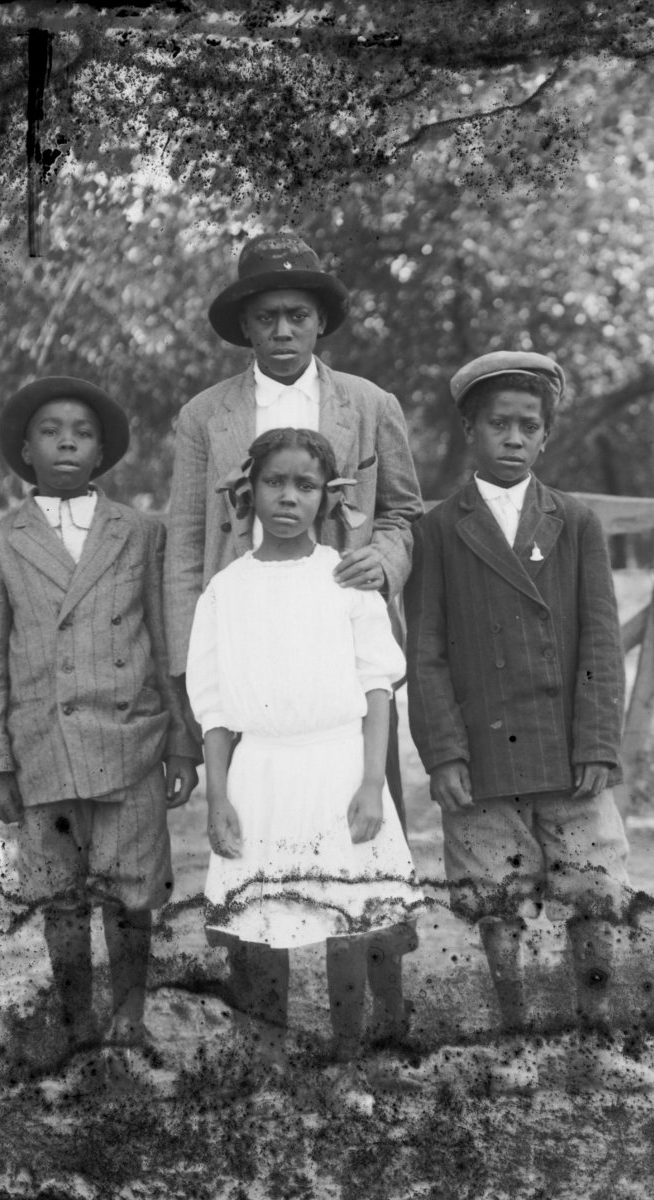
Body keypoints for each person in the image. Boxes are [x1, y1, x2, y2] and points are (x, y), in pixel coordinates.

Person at [404, 351, 654, 1092]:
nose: (513, 438)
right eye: (498, 425)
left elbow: (601, 641)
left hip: (566, 751)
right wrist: (444, 754)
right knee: (496, 905)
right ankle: (516, 1045)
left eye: (528, 426)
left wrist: (599, 743)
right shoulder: (437, 529)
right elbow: (426, 652)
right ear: (470, 431)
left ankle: (600, 1041)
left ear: (546, 436)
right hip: (482, 757)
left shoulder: (574, 521)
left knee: (597, 895)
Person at [0, 376, 199, 1078]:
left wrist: (181, 740)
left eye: (83, 433)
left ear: (102, 451)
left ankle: (129, 1023)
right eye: (50, 431)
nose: (67, 442)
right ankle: (74, 1029)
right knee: (60, 896)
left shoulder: (141, 532)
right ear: (25, 450)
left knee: (133, 891)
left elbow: (165, 640)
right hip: (43, 746)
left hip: (132, 739)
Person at [186, 427, 422, 1108]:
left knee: (347, 916)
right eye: (274, 482)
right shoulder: (225, 591)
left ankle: (347, 1061)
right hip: (260, 771)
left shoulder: (345, 579)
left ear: (327, 497)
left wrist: (372, 783)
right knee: (263, 922)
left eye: (305, 485)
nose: (288, 496)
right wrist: (218, 798)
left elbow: (377, 688)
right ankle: (267, 1067)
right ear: (250, 491)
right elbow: (214, 710)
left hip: (338, 766)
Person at [164, 232, 423, 833]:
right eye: (266, 318)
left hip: (341, 625)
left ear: (320, 322)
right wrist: (185, 660)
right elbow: (186, 542)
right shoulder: (205, 415)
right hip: (244, 627)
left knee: (359, 803)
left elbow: (403, 511)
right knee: (256, 806)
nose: (282, 331)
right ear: (245, 326)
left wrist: (384, 559)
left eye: (298, 316)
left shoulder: (368, 404)